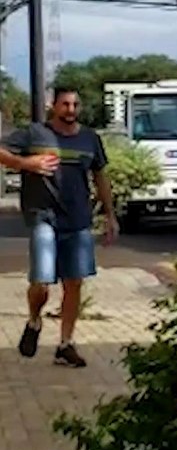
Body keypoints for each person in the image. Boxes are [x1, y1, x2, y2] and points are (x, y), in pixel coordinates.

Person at [0, 87, 117, 368]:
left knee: (74, 282)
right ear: (53, 106)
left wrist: (110, 215)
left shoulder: (90, 139)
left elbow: (100, 177)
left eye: (76, 104)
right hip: (43, 217)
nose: (71, 110)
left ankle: (65, 344)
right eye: (65, 104)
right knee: (41, 281)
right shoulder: (33, 134)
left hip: (78, 221)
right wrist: (24, 163)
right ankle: (34, 320)